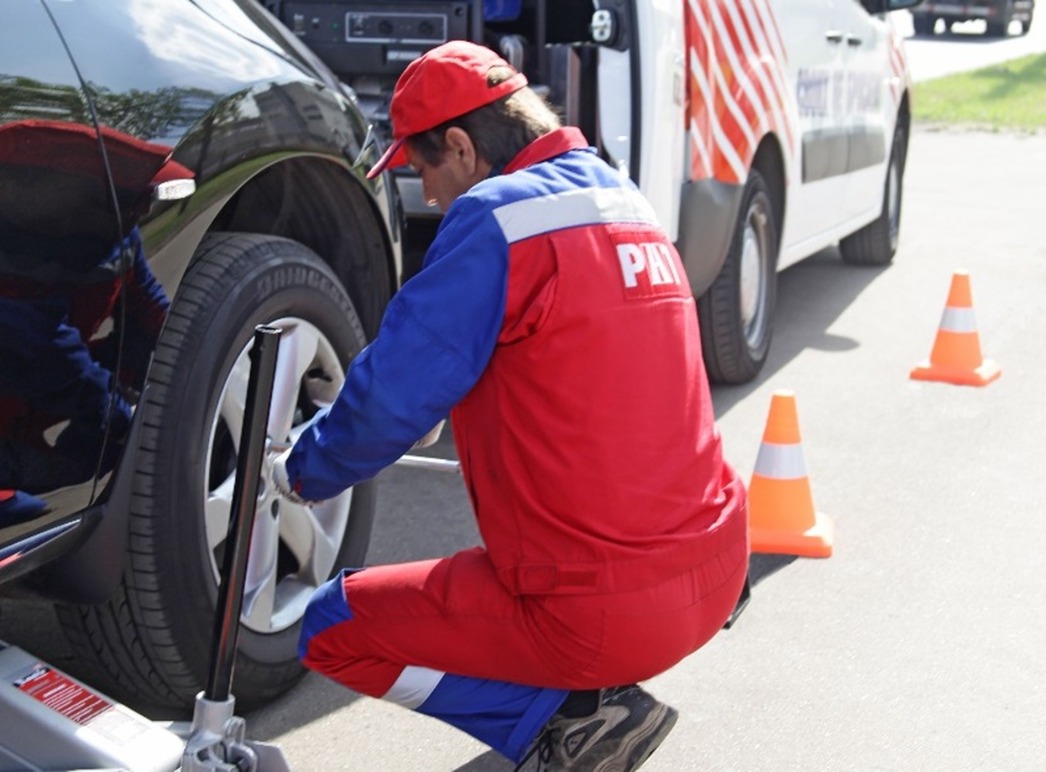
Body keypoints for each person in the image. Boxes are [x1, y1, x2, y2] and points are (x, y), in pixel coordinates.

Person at [272, 40, 748, 771]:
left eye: (423, 168)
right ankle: (591, 699)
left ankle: (573, 722)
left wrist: (296, 472)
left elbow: (383, 404)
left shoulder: (497, 219)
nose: (428, 195)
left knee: (332, 629)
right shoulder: (625, 202)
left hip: (604, 610)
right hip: (717, 567)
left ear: (460, 146)